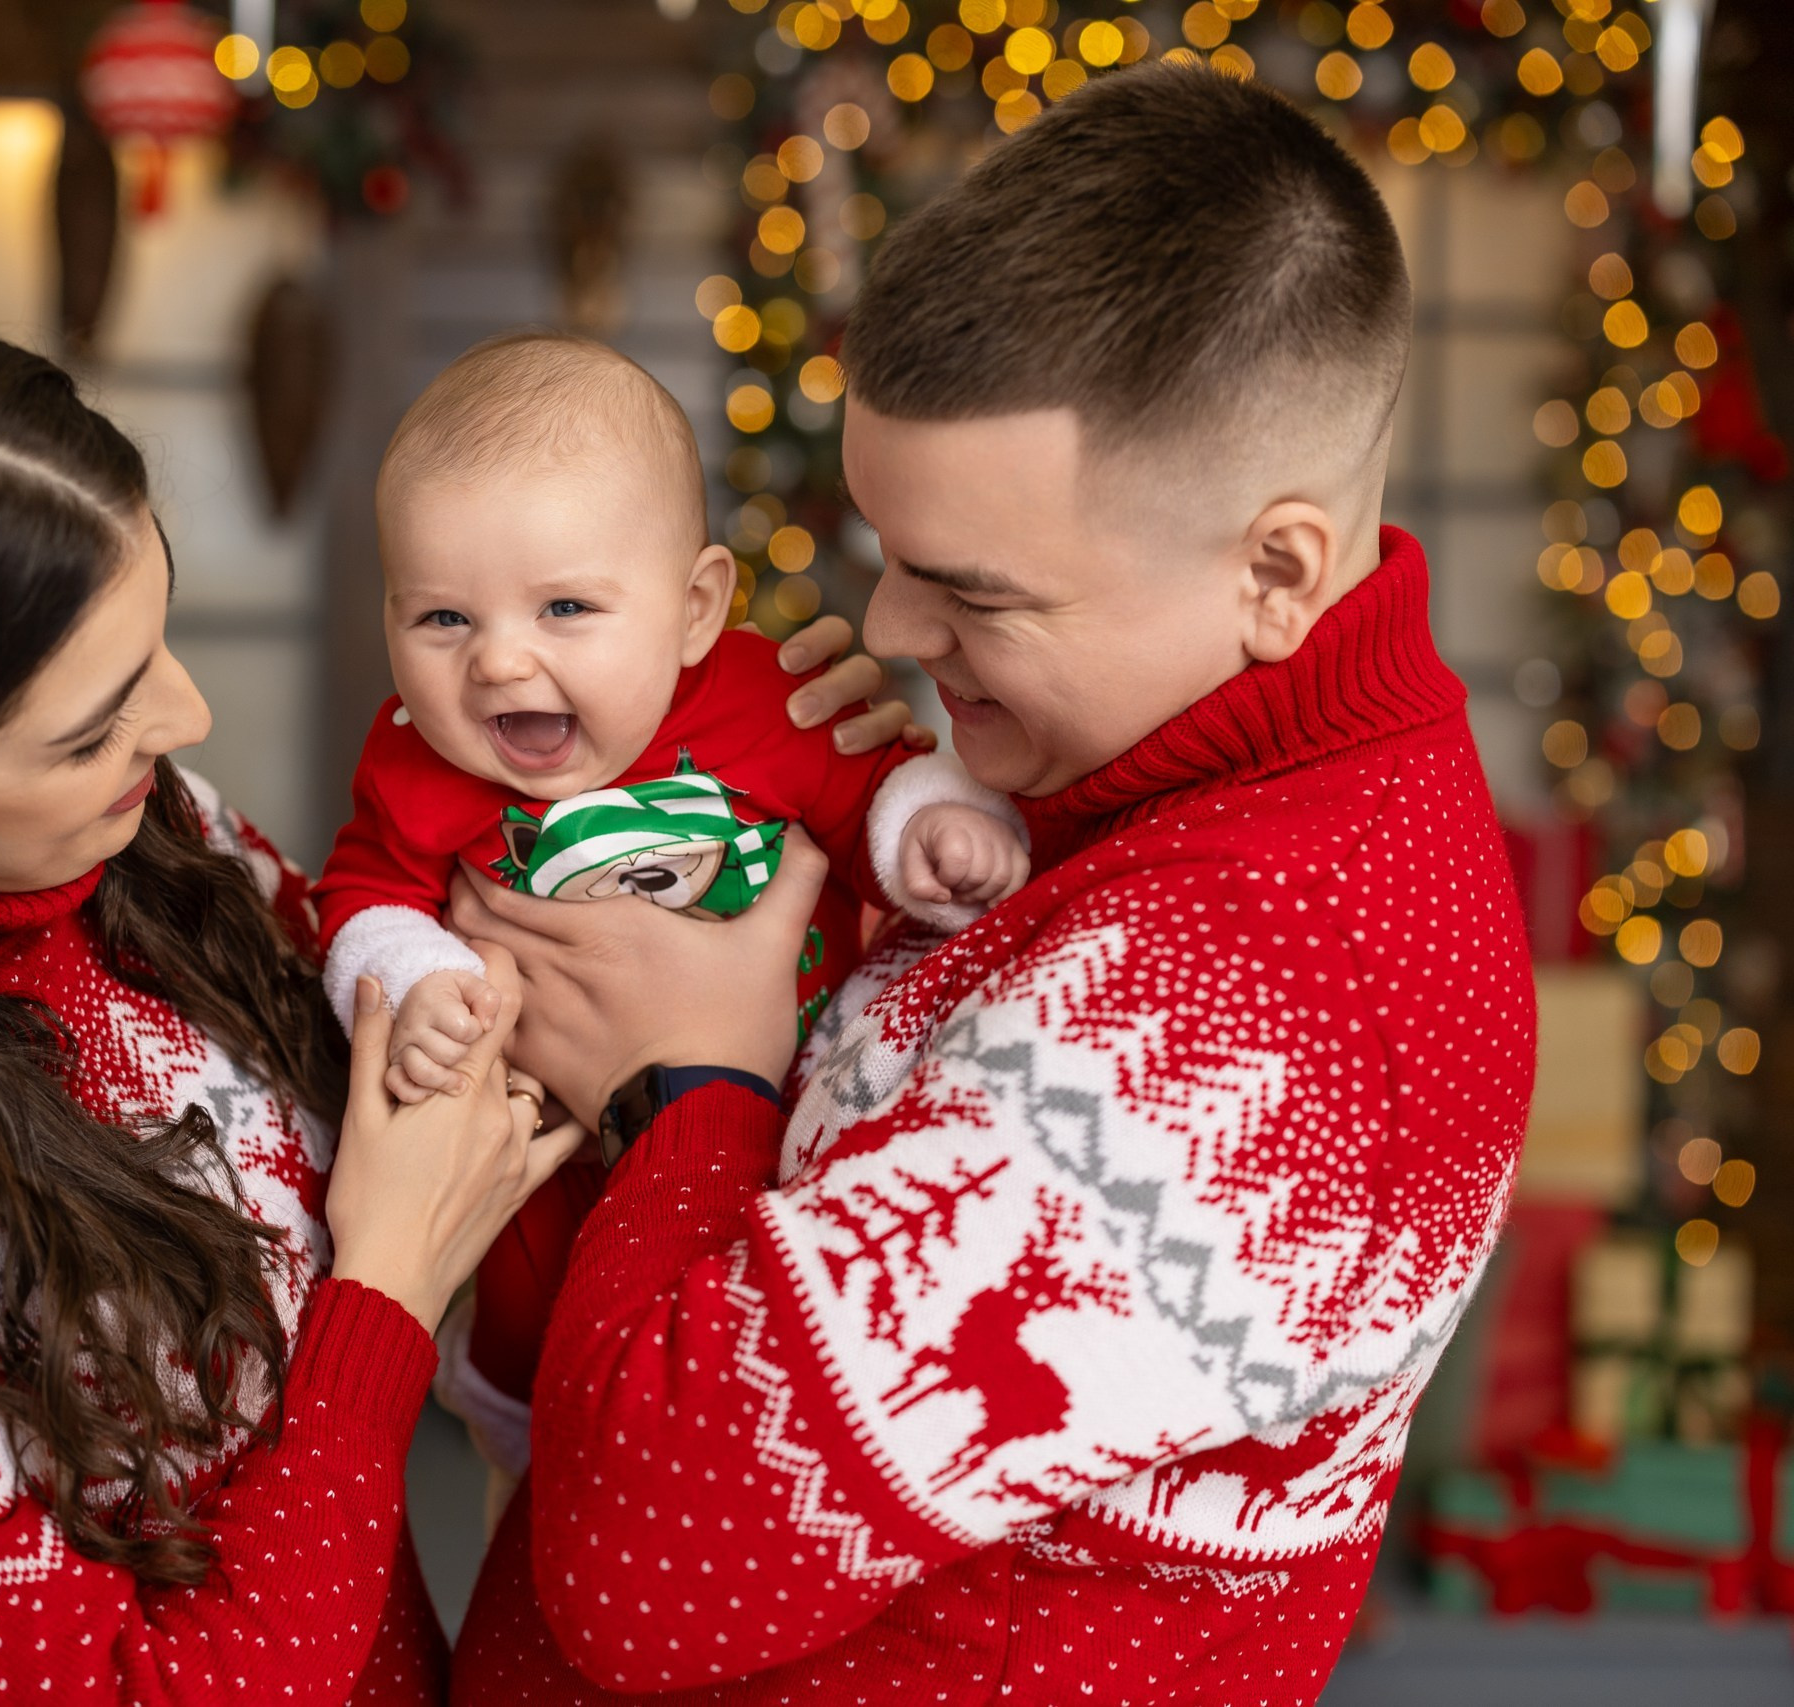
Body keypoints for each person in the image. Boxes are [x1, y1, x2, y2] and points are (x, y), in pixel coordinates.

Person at [0, 311, 908, 1705]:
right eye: (91, 724)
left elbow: (464, 990)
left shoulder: (154, 846)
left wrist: (731, 744)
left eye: (158, 639)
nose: (185, 717)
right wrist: (386, 1289)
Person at [448, 64, 1535, 1706]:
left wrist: (686, 1077)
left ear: (1275, 569)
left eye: (976, 591)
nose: (891, 627)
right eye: (888, 550)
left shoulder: (1265, 1009)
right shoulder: (1133, 781)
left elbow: (643, 1565)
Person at [309, 329, 1022, 1484]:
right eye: (441, 619)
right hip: (556, 1155)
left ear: (694, 608)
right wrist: (413, 972)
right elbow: (361, 893)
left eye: (565, 608)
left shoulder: (770, 699)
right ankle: (530, 1444)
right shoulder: (414, 761)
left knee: (742, 1371)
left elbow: (870, 792)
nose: (497, 664)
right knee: (533, 1325)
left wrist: (930, 831)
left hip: (777, 1132)